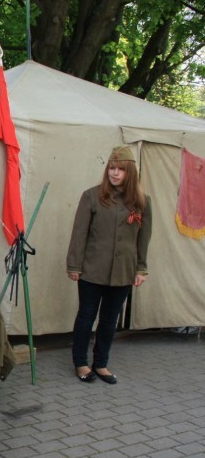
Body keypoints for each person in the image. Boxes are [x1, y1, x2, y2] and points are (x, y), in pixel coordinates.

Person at [66, 145, 152, 385]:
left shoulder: (143, 202)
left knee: (109, 320)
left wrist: (140, 268)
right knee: (86, 316)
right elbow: (79, 234)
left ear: (130, 173)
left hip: (123, 272)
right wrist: (74, 265)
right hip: (92, 270)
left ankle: (101, 363)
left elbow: (143, 239)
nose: (114, 173)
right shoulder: (92, 196)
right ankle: (81, 363)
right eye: (111, 168)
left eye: (120, 169)